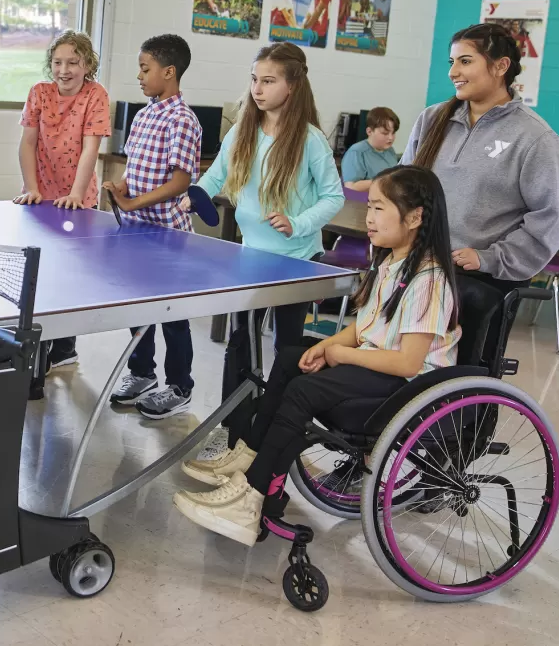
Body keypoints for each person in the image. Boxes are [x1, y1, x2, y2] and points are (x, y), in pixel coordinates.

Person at [174, 165, 461, 545]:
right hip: (382, 365)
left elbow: (407, 362)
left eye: (378, 208)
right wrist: (327, 346)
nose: (368, 217)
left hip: (409, 385)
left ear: (415, 217)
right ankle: (251, 454)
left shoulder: (429, 280)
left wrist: (342, 355)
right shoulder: (391, 262)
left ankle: (251, 497)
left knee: (303, 390)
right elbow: (366, 328)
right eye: (370, 207)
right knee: (293, 356)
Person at [185, 42, 343, 461]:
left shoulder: (310, 141)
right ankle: (234, 429)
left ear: (292, 85)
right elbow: (217, 173)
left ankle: (277, 430)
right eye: (254, 79)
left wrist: (299, 222)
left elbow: (333, 196)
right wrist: (197, 192)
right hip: (252, 256)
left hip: (295, 261)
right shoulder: (243, 130)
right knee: (241, 342)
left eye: (268, 80)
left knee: (287, 348)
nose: (257, 88)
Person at [402, 22, 559, 294]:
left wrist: (489, 259)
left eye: (465, 61)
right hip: (415, 268)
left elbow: (551, 218)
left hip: (479, 282)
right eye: (452, 62)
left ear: (501, 66)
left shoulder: (536, 138)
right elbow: (402, 191)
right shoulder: (431, 119)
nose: (453, 72)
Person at [103, 35, 202, 419]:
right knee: (136, 308)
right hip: (135, 231)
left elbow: (180, 183)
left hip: (169, 236)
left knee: (173, 315)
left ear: (169, 72)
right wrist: (121, 188)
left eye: (146, 69)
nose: (140, 76)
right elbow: (133, 172)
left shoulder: (183, 120)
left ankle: (180, 386)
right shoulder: (144, 115)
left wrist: (132, 202)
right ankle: (142, 373)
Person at [14, 30, 111, 374]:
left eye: (73, 62)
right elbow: (27, 143)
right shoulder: (39, 93)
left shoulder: (96, 95)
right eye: (58, 62)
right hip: (40, 194)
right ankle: (37, 338)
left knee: (72, 275)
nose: (64, 69)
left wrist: (75, 193)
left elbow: (90, 149)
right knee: (40, 273)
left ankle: (65, 346)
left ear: (87, 65)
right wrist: (31, 186)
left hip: (77, 198)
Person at [342, 106, 399, 191]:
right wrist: (385, 181)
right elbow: (351, 187)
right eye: (385, 133)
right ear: (369, 131)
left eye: (393, 133)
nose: (390, 138)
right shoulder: (356, 152)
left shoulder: (390, 151)